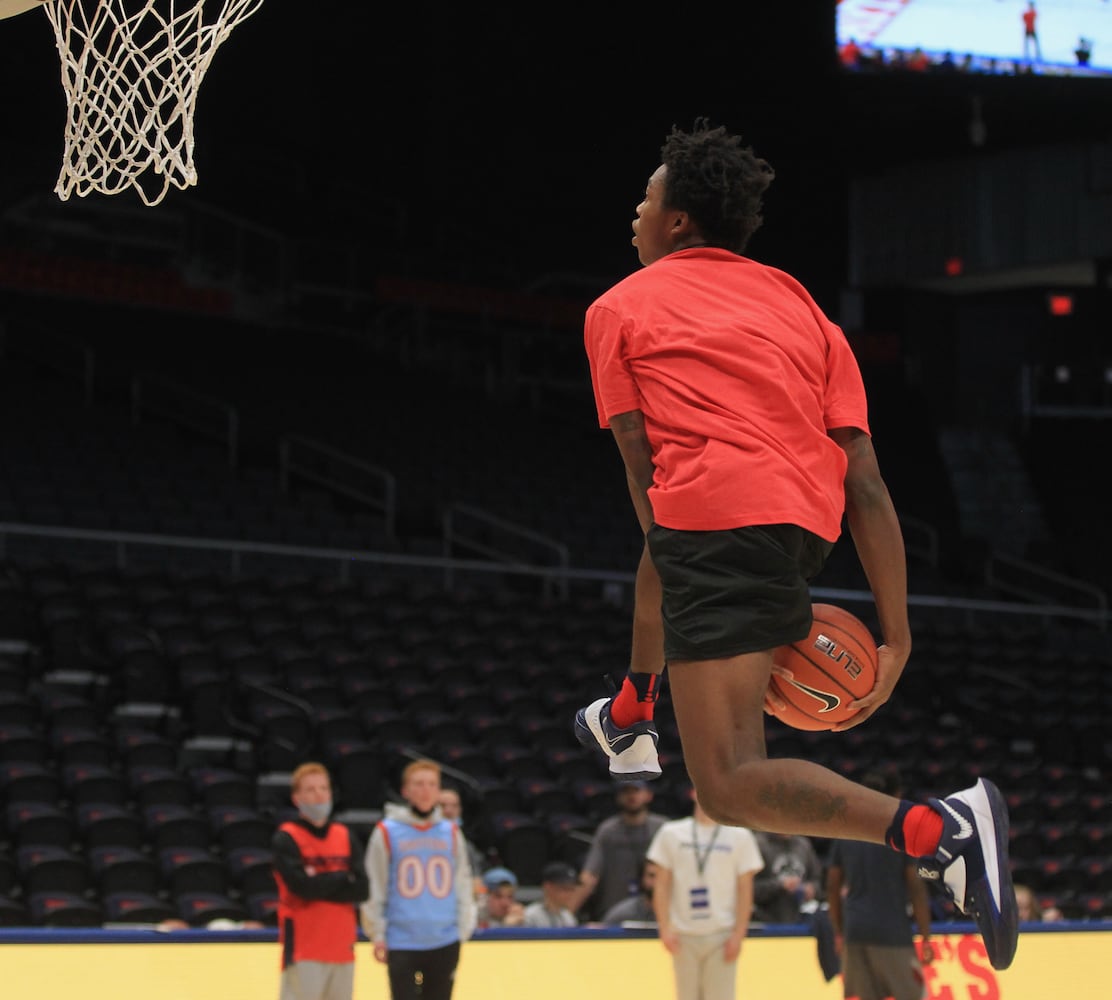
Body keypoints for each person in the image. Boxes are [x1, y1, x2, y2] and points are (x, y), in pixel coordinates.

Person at [572, 119, 1017, 971]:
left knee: (729, 785)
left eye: (646, 196)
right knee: (677, 526)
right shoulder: (801, 306)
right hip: (796, 527)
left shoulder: (618, 309)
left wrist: (688, 554)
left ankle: (937, 828)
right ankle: (631, 710)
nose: (636, 210)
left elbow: (642, 466)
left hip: (714, 526)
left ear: (675, 222)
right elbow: (868, 482)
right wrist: (898, 633)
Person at [362, 759, 476, 1000]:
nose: (425, 790)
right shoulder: (387, 831)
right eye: (419, 784)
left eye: (431, 784)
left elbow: (463, 882)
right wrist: (377, 933)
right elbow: (375, 884)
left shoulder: (451, 832)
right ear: (405, 791)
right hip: (402, 939)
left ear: (438, 791)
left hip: (445, 938)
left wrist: (463, 928)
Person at [826, 771, 935, 1000]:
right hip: (891, 932)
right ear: (895, 796)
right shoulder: (899, 833)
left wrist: (838, 931)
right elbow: (916, 888)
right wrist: (926, 936)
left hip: (855, 932)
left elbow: (832, 886)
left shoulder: (846, 832)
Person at [647, 790, 763, 1000]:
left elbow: (745, 889)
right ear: (693, 793)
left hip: (722, 933)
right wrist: (664, 927)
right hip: (683, 934)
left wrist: (738, 934)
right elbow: (661, 885)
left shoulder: (740, 836)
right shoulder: (671, 833)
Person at [271, 762, 370, 1000]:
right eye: (311, 790)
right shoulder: (287, 837)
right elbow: (302, 888)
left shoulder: (344, 835)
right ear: (297, 797)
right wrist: (341, 878)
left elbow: (362, 889)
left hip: (342, 946)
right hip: (304, 947)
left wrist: (320, 881)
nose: (319, 795)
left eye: (323, 788)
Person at [569, 781, 669, 922]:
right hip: (613, 914)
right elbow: (589, 876)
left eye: (636, 791)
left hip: (658, 912)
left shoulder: (663, 828)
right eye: (626, 792)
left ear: (648, 795)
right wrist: (567, 916)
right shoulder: (608, 831)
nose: (631, 796)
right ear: (618, 797)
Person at [752, 831, 824, 924]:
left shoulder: (803, 845)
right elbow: (749, 888)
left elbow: (818, 881)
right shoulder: (759, 844)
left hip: (801, 920)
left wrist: (811, 889)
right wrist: (780, 885)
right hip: (765, 921)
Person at [438, 785, 485, 896]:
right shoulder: (419, 840)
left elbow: (477, 882)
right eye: (442, 805)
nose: (448, 811)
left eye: (454, 806)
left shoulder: (466, 846)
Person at [522, 862, 579, 928]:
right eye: (565, 888)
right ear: (548, 886)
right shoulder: (530, 915)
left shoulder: (568, 916)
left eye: (572, 889)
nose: (570, 894)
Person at [601, 858, 657, 925]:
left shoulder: (672, 914)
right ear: (642, 878)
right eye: (651, 876)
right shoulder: (623, 914)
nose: (657, 882)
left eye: (662, 877)